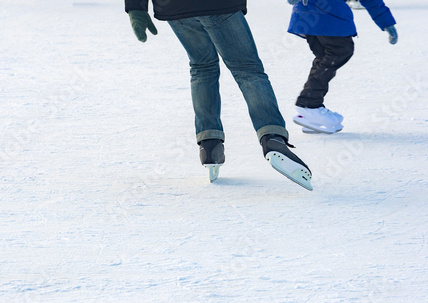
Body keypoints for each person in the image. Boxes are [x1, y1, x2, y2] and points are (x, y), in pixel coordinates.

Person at [124, 0, 313, 190]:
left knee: (202, 67)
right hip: (217, 5)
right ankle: (272, 137)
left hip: (175, 7)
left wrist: (136, 8)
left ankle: (210, 145)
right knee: (248, 70)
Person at [287, 0, 397, 134]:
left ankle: (311, 114)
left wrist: (386, 22)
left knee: (325, 58)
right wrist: (386, 22)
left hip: (309, 15)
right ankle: (309, 104)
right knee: (338, 52)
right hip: (329, 15)